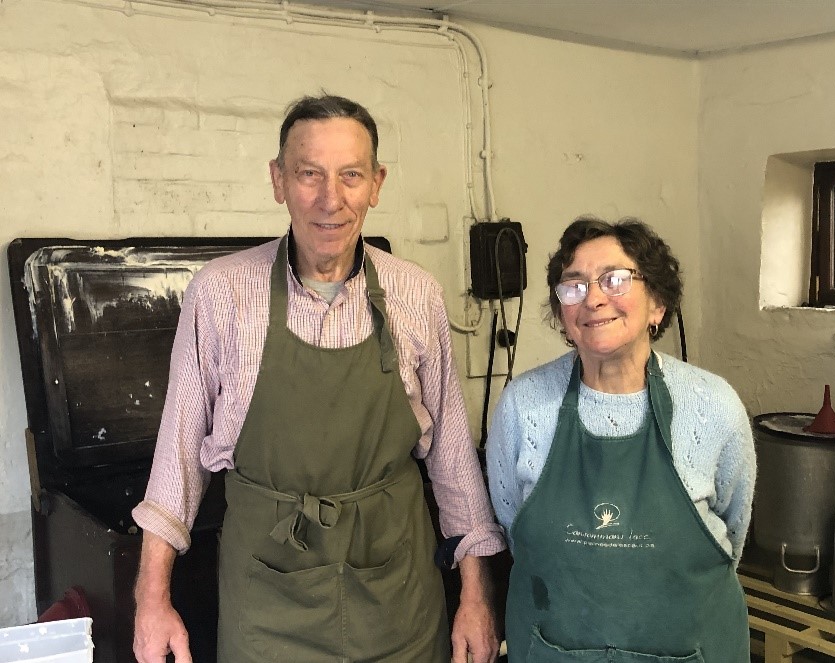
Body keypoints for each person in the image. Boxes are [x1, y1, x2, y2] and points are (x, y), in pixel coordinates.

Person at [131, 94, 505, 663]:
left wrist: (477, 597)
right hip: (267, 598)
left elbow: (452, 456)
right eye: (310, 174)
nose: (331, 199)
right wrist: (151, 600)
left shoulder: (415, 293)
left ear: (376, 184)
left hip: (395, 592)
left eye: (350, 175)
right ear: (279, 180)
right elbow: (177, 456)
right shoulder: (221, 293)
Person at [487, 216, 755, 662]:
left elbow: (732, 532)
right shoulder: (524, 405)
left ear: (657, 304)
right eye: (574, 286)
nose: (593, 299)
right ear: (562, 316)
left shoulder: (713, 406)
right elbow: (514, 529)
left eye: (614, 280)